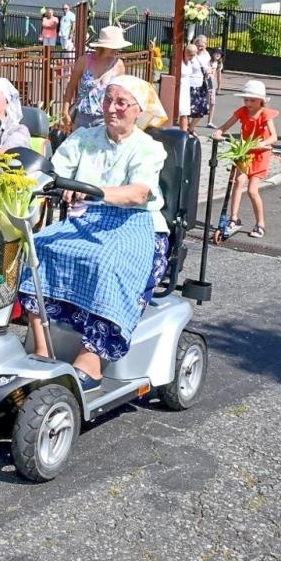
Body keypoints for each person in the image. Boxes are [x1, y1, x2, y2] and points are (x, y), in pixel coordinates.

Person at [21, 74, 170, 386]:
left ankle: (91, 360)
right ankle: (42, 349)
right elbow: (53, 171)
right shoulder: (85, 137)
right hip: (86, 220)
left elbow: (139, 193)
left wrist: (91, 191)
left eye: (121, 103)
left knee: (107, 263)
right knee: (37, 248)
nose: (111, 108)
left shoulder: (148, 148)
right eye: (107, 100)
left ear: (138, 110)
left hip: (137, 226)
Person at [210, 79, 279, 240]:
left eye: (252, 100)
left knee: (252, 190)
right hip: (244, 152)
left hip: (260, 154)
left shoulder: (265, 114)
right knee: (238, 182)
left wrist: (262, 142)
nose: (248, 103)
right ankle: (234, 218)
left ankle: (260, 223)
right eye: (246, 99)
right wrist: (219, 132)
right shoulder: (241, 112)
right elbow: (225, 126)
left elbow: (273, 137)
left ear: (261, 101)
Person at [61, 25, 128, 130]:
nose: (116, 50)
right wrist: (65, 111)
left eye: (117, 47)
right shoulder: (84, 61)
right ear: (102, 46)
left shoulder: (118, 65)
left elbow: (120, 94)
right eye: (112, 47)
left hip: (105, 119)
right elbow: (70, 87)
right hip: (82, 118)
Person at [176, 40, 212, 130]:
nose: (193, 57)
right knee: (183, 113)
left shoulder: (190, 61)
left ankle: (188, 131)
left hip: (189, 88)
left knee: (189, 112)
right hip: (184, 88)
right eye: (191, 54)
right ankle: (185, 132)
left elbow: (208, 66)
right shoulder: (181, 62)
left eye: (194, 54)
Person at [197, 37, 223, 121]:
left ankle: (210, 120)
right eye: (216, 53)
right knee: (205, 95)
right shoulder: (209, 60)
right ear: (213, 54)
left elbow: (219, 76)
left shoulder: (219, 64)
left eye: (219, 54)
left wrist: (219, 86)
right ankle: (206, 106)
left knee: (212, 100)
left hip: (212, 80)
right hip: (206, 79)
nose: (218, 55)